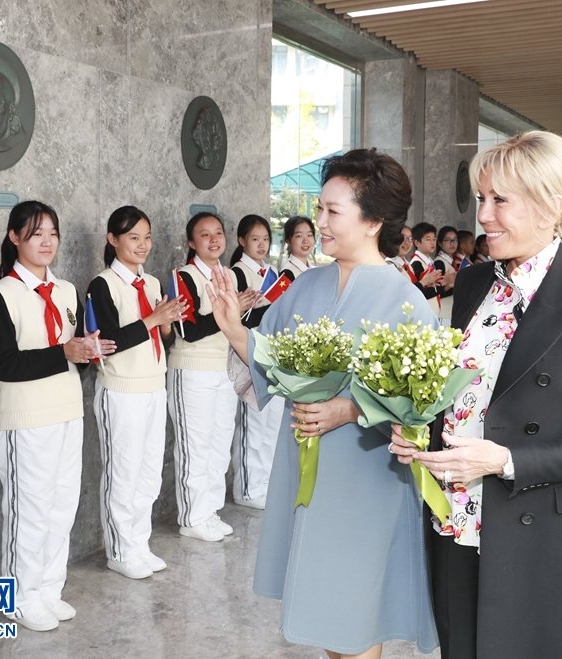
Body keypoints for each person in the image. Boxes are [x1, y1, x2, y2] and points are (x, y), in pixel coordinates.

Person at [391, 131, 562, 659]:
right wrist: (420, 430)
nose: (483, 216)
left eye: (500, 200)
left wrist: (505, 459)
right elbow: (468, 395)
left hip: (546, 537)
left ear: (553, 204)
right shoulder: (475, 283)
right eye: (482, 199)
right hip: (457, 522)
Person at [208, 148, 438, 659]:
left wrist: (351, 409)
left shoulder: (407, 301)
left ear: (374, 220)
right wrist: (231, 326)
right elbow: (269, 360)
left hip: (366, 477)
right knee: (328, 615)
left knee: (356, 617)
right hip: (307, 469)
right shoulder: (306, 285)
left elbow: (418, 405)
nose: (320, 222)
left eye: (334, 211)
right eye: (320, 209)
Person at [0, 201, 113, 632]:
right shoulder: (2, 295)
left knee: (61, 506)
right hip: (27, 419)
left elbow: (72, 349)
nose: (46, 241)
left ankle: (48, 590)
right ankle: (19, 596)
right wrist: (64, 353)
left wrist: (87, 350)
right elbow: (3, 364)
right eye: (36, 233)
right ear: (14, 237)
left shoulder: (68, 290)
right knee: (29, 510)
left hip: (67, 412)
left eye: (52, 233)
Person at [87, 206, 184, 579]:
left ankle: (139, 543)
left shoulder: (154, 283)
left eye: (146, 237)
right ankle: (120, 550)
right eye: (133, 237)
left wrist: (166, 324)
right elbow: (110, 341)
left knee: (148, 471)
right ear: (113, 240)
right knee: (123, 471)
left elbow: (161, 337)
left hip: (153, 386)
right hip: (122, 390)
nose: (142, 245)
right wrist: (153, 320)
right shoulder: (103, 284)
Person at [167, 212, 256, 541]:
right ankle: (192, 517)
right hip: (193, 370)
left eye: (218, 233)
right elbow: (187, 330)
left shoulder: (231, 276)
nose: (214, 239)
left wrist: (238, 308)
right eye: (205, 235)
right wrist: (223, 312)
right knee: (195, 444)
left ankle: (210, 510)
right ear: (192, 242)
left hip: (226, 368)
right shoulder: (183, 277)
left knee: (219, 442)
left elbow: (236, 325)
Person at [230, 214, 284, 509]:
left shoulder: (271, 271)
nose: (261, 244)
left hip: (271, 351)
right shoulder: (237, 273)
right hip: (248, 352)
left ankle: (264, 483)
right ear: (241, 241)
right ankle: (248, 488)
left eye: (265, 239)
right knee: (253, 423)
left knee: (271, 424)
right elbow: (237, 318)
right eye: (255, 239)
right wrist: (269, 306)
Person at [409, 222, 445, 316]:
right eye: (428, 239)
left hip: (433, 312)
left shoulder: (429, 261)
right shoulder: (417, 263)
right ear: (417, 243)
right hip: (423, 313)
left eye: (434, 239)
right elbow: (419, 292)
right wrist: (445, 283)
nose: (432, 242)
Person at [434, 227, 460, 326]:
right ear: (440, 243)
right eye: (447, 240)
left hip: (450, 311)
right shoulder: (439, 262)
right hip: (443, 312)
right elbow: (437, 291)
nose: (452, 243)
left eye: (455, 240)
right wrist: (453, 285)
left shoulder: (451, 262)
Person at [280, 215, 316, 281]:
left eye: (309, 235)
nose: (305, 241)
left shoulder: (315, 270)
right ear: (288, 241)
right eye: (299, 236)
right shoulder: (287, 274)